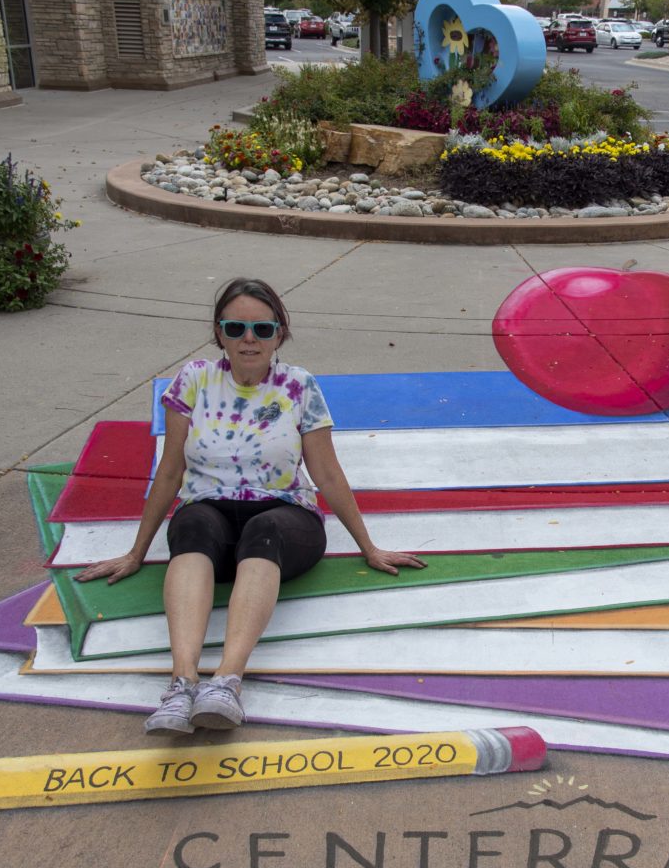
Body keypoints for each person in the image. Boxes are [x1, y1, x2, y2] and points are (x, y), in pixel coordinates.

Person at [75, 277, 425, 735]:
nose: (248, 340)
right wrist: (136, 552)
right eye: (235, 327)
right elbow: (169, 473)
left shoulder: (299, 385)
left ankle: (226, 683)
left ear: (280, 333)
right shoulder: (194, 381)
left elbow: (328, 473)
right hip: (211, 516)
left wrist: (369, 546)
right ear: (218, 332)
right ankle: (181, 685)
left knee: (265, 530)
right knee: (193, 524)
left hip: (284, 518)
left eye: (262, 329)